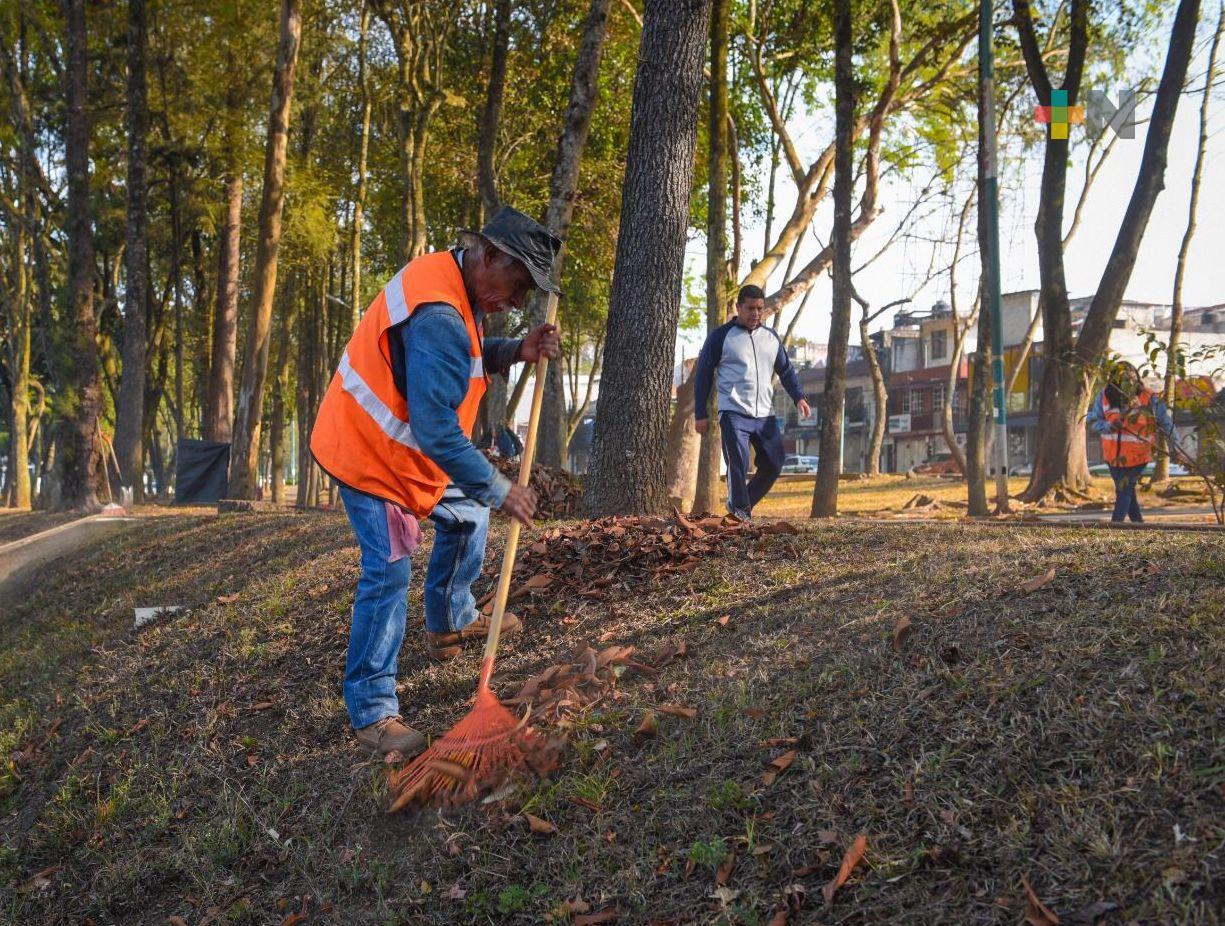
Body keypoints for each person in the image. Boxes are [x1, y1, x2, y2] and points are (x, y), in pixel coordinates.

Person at [310, 206, 561, 758]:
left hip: (406, 452)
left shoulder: (450, 278)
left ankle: (450, 621)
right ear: (489, 255)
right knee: (388, 569)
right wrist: (500, 489)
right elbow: (437, 431)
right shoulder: (441, 315)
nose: (516, 303)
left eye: (524, 298)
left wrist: (514, 350)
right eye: (518, 287)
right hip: (369, 453)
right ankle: (372, 711)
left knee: (465, 516)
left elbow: (460, 361)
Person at [693, 285, 811, 519]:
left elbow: (786, 371)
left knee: (775, 462)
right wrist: (700, 414)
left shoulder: (770, 338)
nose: (755, 313)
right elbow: (703, 374)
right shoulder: (720, 337)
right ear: (738, 307)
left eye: (759, 308)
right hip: (733, 412)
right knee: (739, 462)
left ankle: (740, 504)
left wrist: (799, 397)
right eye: (750, 308)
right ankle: (741, 512)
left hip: (765, 414)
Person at [1086, 361, 1175, 524]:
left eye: (1133, 378)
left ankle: (1115, 526)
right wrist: (1109, 426)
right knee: (1127, 491)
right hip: (1113, 457)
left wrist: (1175, 446)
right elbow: (1093, 422)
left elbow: (1165, 421)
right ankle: (1138, 525)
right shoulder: (1105, 396)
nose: (1131, 383)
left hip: (1138, 456)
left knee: (1124, 490)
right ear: (1115, 381)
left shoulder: (1149, 398)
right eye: (1125, 379)